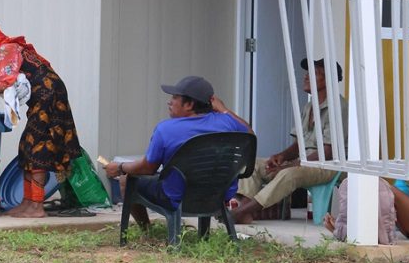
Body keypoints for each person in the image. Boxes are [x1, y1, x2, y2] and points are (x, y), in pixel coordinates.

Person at [103, 76, 252, 229]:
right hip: (217, 196)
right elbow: (250, 135)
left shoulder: (166, 129)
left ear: (189, 104)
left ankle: (146, 230)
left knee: (125, 180)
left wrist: (120, 167)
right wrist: (224, 109)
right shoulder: (227, 122)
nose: (170, 102)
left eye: (174, 97)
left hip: (177, 197)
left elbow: (148, 169)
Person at [0, 22, 81, 218]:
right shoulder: (6, 50)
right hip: (44, 98)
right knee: (27, 148)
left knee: (38, 149)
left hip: (48, 98)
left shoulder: (4, 50)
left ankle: (36, 206)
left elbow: (3, 85)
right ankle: (28, 202)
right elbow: (7, 83)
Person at [232, 58, 347, 224]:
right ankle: (245, 211)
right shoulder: (309, 107)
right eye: (307, 72)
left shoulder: (338, 108)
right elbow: (299, 144)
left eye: (314, 73)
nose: (306, 77)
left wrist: (290, 165)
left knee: (289, 173)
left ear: (328, 79)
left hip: (328, 165)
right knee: (253, 164)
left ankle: (241, 212)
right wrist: (281, 156)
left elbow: (328, 152)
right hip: (305, 162)